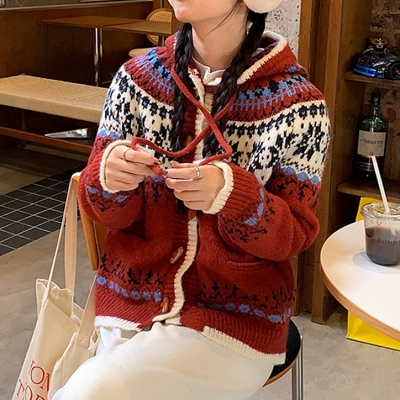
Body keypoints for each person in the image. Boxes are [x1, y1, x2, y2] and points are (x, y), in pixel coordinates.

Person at [53, 0, 330, 399]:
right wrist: (107, 177)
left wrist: (235, 197)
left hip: (234, 321)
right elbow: (106, 212)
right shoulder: (135, 80)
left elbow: (294, 235)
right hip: (128, 305)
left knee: (92, 391)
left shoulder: (299, 106)